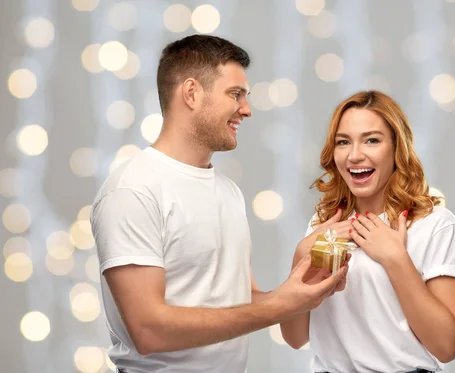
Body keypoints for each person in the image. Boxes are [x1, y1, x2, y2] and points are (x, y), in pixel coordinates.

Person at [90, 34, 348, 373]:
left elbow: (241, 303)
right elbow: (148, 330)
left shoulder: (228, 192)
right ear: (192, 93)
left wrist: (298, 280)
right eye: (235, 94)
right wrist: (278, 308)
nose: (247, 109)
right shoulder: (133, 190)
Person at [280, 91, 455, 373]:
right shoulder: (325, 224)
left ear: (397, 148)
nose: (355, 155)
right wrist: (302, 255)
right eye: (343, 142)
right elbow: (296, 338)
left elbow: (447, 346)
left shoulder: (434, 224)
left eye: (372, 140)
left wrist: (395, 259)